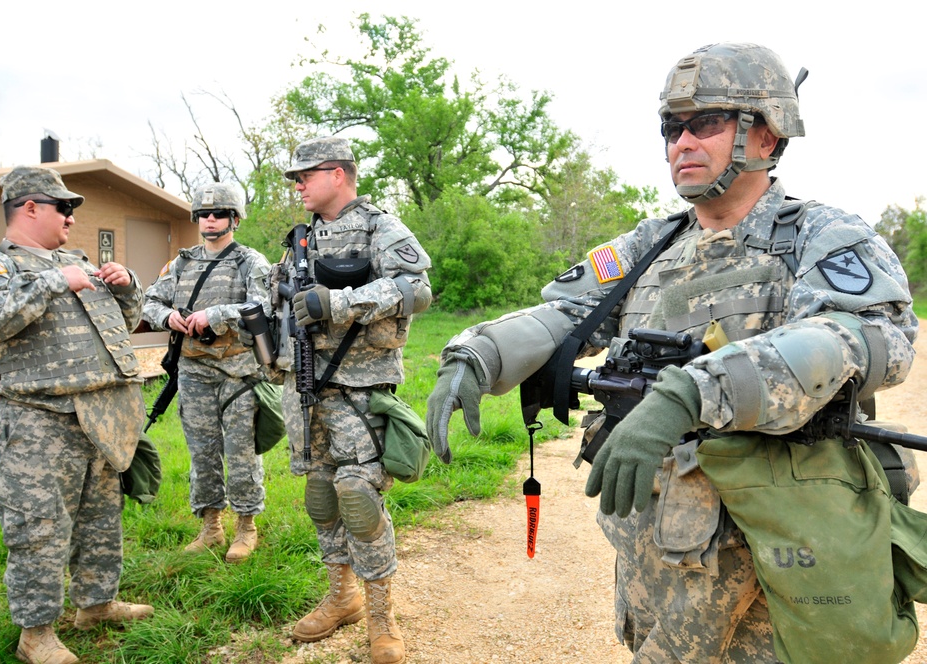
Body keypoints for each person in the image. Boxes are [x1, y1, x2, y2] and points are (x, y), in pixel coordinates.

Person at [426, 43, 919, 662]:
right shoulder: (653, 245)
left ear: (766, 136)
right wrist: (476, 353)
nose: (681, 142)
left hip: (773, 551)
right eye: (671, 126)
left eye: (704, 123)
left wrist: (691, 393)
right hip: (660, 536)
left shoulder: (824, 236)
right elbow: (565, 313)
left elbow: (865, 338)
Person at [0, 165, 154, 664]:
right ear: (30, 208)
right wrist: (50, 282)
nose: (71, 217)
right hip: (40, 420)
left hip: (101, 412)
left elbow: (124, 323)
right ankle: (36, 634)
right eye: (64, 207)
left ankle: (96, 604)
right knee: (38, 527)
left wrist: (127, 286)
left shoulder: (77, 261)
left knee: (101, 518)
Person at [274, 136, 432, 664]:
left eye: (305, 175)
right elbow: (281, 302)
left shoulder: (379, 226)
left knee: (358, 500)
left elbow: (418, 288)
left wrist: (339, 302)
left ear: (338, 174)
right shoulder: (298, 239)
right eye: (295, 178)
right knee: (321, 496)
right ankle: (342, 596)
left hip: (362, 391)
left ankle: (383, 614)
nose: (298, 185)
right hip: (307, 388)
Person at [142, 182, 275, 564]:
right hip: (194, 371)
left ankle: (246, 527)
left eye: (218, 214)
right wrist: (167, 315)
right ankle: (211, 526)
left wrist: (214, 315)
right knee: (202, 452)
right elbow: (149, 301)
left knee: (241, 452)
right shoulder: (182, 263)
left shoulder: (250, 261)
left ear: (234, 218)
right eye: (203, 214)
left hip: (238, 373)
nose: (210, 220)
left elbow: (263, 305)